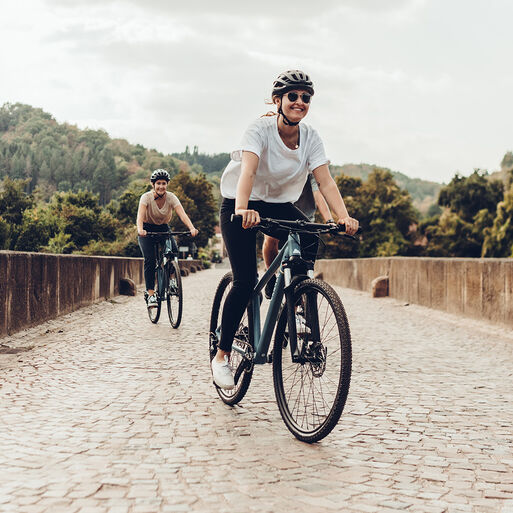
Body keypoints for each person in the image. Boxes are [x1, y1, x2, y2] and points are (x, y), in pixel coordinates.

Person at [212, 69, 359, 389]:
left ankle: (299, 298)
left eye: (306, 98)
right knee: (245, 280)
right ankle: (222, 355)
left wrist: (343, 216)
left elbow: (325, 181)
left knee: (309, 233)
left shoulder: (311, 138)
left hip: (276, 203)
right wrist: (241, 209)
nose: (300, 102)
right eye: (293, 96)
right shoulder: (260, 130)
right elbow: (248, 172)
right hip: (240, 201)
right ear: (278, 101)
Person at [262, 172, 334, 299]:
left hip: (304, 218)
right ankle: (271, 276)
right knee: (271, 238)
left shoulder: (311, 171)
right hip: (280, 212)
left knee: (301, 269)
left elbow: (318, 195)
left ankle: (294, 312)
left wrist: (329, 221)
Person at [136, 169, 198, 307]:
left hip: (163, 228)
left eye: (164, 183)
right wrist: (140, 230)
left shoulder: (171, 197)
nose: (161, 186)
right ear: (153, 184)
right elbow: (140, 216)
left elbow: (182, 214)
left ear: (167, 184)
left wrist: (191, 228)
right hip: (147, 230)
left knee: (173, 250)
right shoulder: (146, 197)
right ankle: (151, 294)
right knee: (150, 261)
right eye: (158, 183)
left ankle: (171, 280)